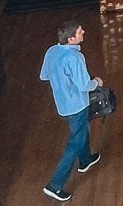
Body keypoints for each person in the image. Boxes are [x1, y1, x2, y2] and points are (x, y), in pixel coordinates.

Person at [39, 20, 103, 202]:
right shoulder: (75, 58)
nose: (84, 32)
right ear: (72, 38)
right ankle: (55, 185)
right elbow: (84, 85)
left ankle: (85, 160)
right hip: (77, 105)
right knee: (76, 140)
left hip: (63, 104)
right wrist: (96, 82)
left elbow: (44, 75)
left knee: (81, 131)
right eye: (80, 31)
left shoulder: (52, 51)